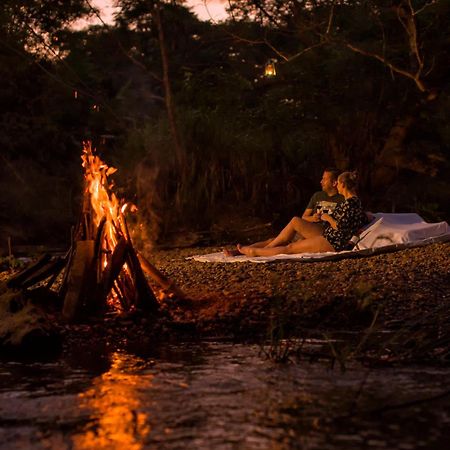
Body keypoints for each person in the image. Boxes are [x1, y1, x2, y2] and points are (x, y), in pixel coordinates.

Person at [234, 171, 368, 257]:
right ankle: (259, 251)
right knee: (290, 241)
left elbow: (340, 227)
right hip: (330, 235)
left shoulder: (350, 203)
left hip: (335, 241)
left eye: (338, 183)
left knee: (290, 248)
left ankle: (255, 252)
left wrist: (327, 217)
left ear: (343, 185)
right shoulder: (354, 202)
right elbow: (360, 219)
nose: (337, 186)